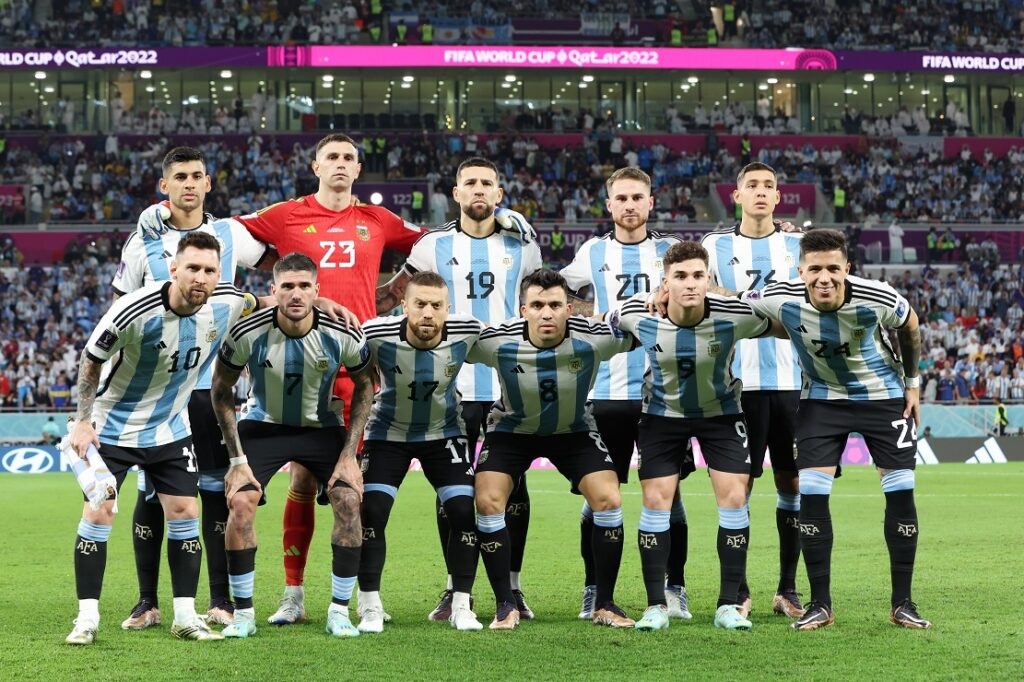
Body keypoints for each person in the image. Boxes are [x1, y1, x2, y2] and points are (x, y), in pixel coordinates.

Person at [64, 231, 252, 645]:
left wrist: (323, 304)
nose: (201, 277)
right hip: (112, 427)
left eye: (209, 270)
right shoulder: (134, 309)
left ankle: (185, 617)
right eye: (192, 268)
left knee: (185, 512)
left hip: (169, 427)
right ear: (173, 269)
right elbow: (91, 359)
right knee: (100, 513)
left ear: (218, 274)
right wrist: (83, 421)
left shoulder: (228, 302)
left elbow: (267, 303)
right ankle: (86, 618)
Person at [739, 228, 930, 631]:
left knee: (900, 492)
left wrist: (912, 384)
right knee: (811, 495)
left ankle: (903, 604)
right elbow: (732, 300)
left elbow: (910, 324)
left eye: (832, 268)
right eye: (814, 270)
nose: (823, 278)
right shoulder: (779, 296)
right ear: (800, 271)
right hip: (821, 401)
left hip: (883, 397)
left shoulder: (878, 296)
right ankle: (820, 605)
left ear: (847, 268)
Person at [377, 157, 542, 622]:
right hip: (450, 385)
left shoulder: (522, 243)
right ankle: (455, 587)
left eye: (487, 183)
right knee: (450, 487)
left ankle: (513, 586)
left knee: (514, 486)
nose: (479, 190)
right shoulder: (433, 245)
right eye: (470, 182)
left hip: (510, 384)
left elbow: (539, 304)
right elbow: (395, 296)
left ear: (500, 193)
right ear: (456, 192)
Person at [114, 146, 272, 630]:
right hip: (158, 392)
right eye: (179, 176)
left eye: (196, 175)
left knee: (215, 492)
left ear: (208, 183)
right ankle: (148, 601)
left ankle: (220, 600)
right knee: (151, 494)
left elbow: (276, 261)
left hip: (213, 386)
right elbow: (119, 314)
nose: (189, 183)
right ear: (165, 186)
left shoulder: (232, 235)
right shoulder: (141, 242)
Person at [613, 241, 785, 632]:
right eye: (680, 276)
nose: (689, 284)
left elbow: (783, 323)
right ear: (665, 283)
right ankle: (656, 606)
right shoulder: (638, 313)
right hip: (661, 417)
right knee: (655, 501)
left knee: (735, 498)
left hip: (721, 416)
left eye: (697, 276)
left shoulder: (734, 315)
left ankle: (728, 606)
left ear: (709, 279)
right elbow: (604, 320)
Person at [210, 252, 375, 639]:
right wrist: (236, 459)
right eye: (287, 286)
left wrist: (349, 455)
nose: (296, 294)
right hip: (263, 426)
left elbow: (366, 386)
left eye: (304, 286)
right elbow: (220, 391)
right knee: (240, 502)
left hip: (321, 428)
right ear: (273, 290)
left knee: (349, 501)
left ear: (317, 290)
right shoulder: (248, 331)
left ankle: (339, 612)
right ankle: (244, 615)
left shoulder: (343, 333)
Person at [467, 269, 635, 630]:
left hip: (573, 430)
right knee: (488, 501)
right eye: (538, 305)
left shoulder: (594, 338)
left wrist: (637, 308)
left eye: (556, 305)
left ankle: (604, 603)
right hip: (512, 431)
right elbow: (450, 342)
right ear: (523, 310)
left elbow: (641, 329)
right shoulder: (498, 340)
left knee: (608, 499)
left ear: (569, 309)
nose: (547, 313)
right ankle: (505, 604)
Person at [560, 167, 691, 622]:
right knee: (597, 496)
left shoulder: (670, 251)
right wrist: (591, 314)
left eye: (638, 197)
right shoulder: (592, 251)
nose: (630, 205)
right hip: (606, 390)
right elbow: (561, 291)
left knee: (669, 495)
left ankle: (675, 588)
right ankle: (595, 589)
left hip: (664, 391)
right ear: (609, 204)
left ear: (651, 202)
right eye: (622, 198)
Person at [701, 162, 806, 619]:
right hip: (734, 386)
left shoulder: (798, 244)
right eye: (752, 185)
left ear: (778, 197)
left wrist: (738, 298)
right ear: (737, 195)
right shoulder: (714, 246)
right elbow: (701, 291)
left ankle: (787, 589)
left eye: (769, 186)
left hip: (792, 384)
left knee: (792, 483)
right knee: (736, 489)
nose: (761, 192)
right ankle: (738, 590)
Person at [358, 272, 486, 633]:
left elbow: (508, 348)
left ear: (448, 309)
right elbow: (349, 365)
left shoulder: (468, 330)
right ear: (404, 306)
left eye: (436, 305)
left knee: (463, 511)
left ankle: (462, 605)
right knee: (372, 512)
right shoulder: (375, 333)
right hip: (388, 434)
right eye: (420, 304)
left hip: (443, 433)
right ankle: (370, 606)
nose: (428, 312)